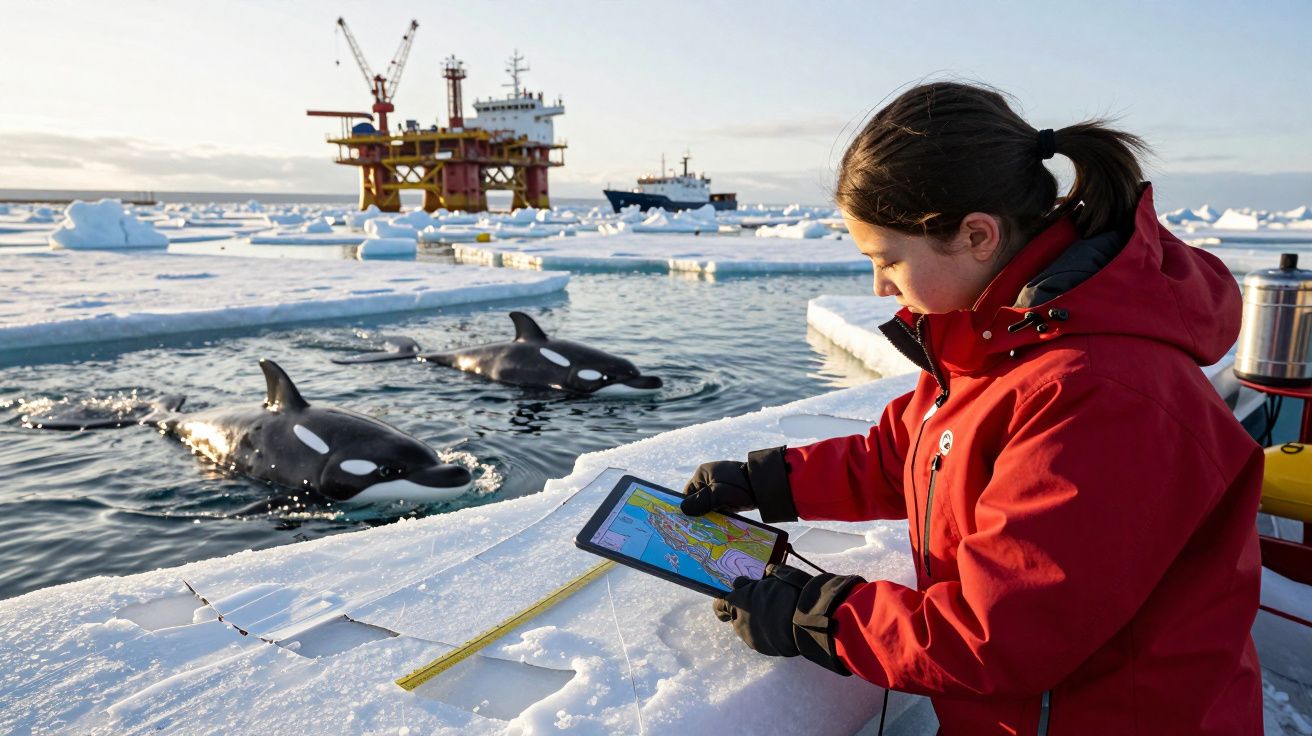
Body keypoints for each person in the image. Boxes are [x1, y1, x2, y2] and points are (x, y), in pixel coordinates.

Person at [680, 82, 1263, 735]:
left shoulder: (1098, 395)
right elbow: (914, 452)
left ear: (976, 235)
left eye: (889, 259)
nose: (878, 286)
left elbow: (1004, 632)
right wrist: (770, 481)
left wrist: (820, 617)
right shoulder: (996, 339)